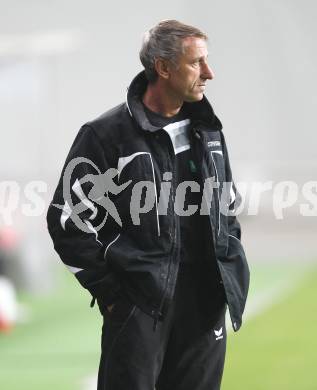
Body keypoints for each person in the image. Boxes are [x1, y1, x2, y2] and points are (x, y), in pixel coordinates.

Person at [47, 19, 249, 390]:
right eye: (197, 63)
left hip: (205, 305)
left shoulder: (209, 129)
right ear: (163, 67)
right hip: (140, 306)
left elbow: (226, 206)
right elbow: (67, 221)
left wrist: (228, 269)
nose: (209, 73)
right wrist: (111, 293)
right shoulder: (106, 135)